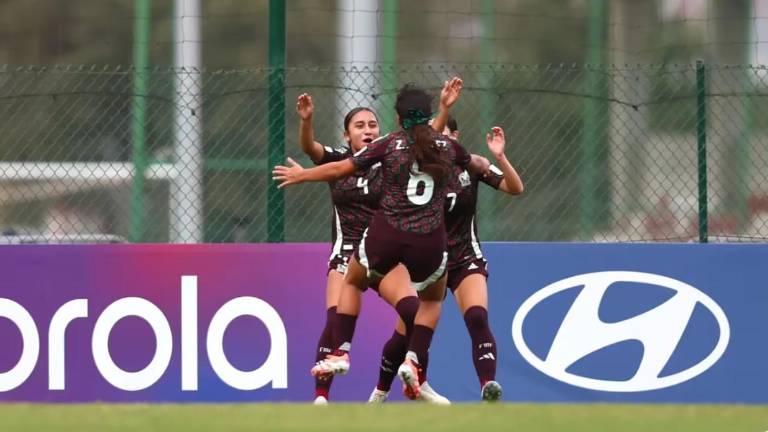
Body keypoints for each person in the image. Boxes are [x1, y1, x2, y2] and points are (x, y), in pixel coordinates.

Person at [274, 83, 470, 400]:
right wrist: (307, 121)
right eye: (359, 125)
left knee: (411, 310)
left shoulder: (388, 151)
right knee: (334, 313)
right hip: (349, 250)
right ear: (346, 135)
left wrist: (443, 111)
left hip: (383, 248)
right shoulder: (344, 156)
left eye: (372, 124)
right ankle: (321, 396)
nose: (367, 130)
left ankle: (417, 375)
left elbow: (423, 140)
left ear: (385, 125)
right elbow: (312, 150)